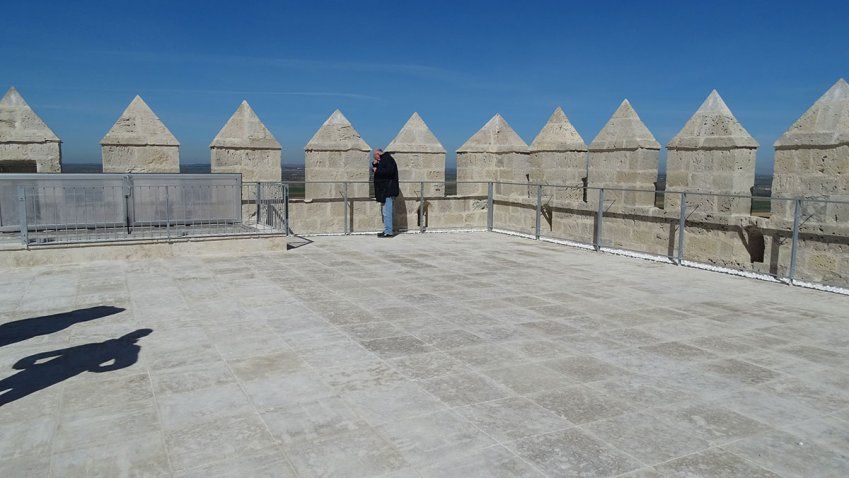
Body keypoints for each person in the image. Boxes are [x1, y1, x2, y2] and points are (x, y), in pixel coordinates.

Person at [372, 148, 399, 237]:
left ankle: (389, 232)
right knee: (385, 211)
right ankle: (387, 230)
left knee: (387, 211)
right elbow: (384, 171)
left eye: (375, 156)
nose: (374, 158)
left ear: (378, 154)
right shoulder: (385, 159)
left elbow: (389, 172)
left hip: (388, 190)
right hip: (385, 191)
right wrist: (375, 165)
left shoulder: (387, 159)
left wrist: (377, 170)